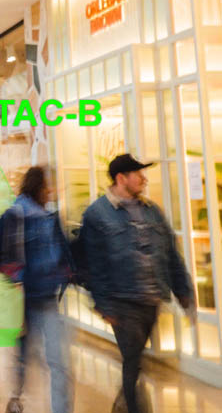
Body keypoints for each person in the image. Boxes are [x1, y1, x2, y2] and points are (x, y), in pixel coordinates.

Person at [79, 154, 194, 413]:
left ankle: (122, 403)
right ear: (121, 179)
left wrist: (183, 290)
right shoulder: (97, 214)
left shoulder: (152, 210)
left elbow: (170, 253)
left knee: (136, 360)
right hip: (122, 302)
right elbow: (93, 264)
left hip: (152, 299)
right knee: (133, 361)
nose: (144, 178)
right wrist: (104, 303)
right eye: (138, 174)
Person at [0, 166, 73, 413]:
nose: (51, 191)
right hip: (25, 299)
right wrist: (17, 277)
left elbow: (62, 252)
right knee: (25, 355)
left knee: (58, 361)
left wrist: (69, 272)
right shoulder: (14, 216)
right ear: (38, 187)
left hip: (48, 299)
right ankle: (17, 398)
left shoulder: (50, 218)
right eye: (48, 186)